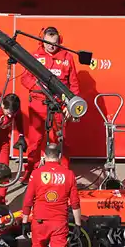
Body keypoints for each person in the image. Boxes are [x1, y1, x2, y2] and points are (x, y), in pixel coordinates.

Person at [21, 143, 82, 247]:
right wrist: (77, 223)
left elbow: (27, 200)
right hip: (59, 223)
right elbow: (75, 202)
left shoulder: (36, 174)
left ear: (44, 156)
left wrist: (25, 221)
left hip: (39, 222)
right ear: (60, 155)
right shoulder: (69, 175)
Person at [20, 26, 80, 177]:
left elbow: (74, 84)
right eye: (48, 42)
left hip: (59, 105)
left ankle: (64, 171)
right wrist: (38, 86)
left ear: (58, 41)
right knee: (35, 140)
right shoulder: (34, 56)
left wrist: (72, 105)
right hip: (38, 103)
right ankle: (30, 172)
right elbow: (25, 78)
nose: (51, 46)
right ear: (42, 41)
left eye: (54, 42)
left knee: (60, 140)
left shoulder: (67, 57)